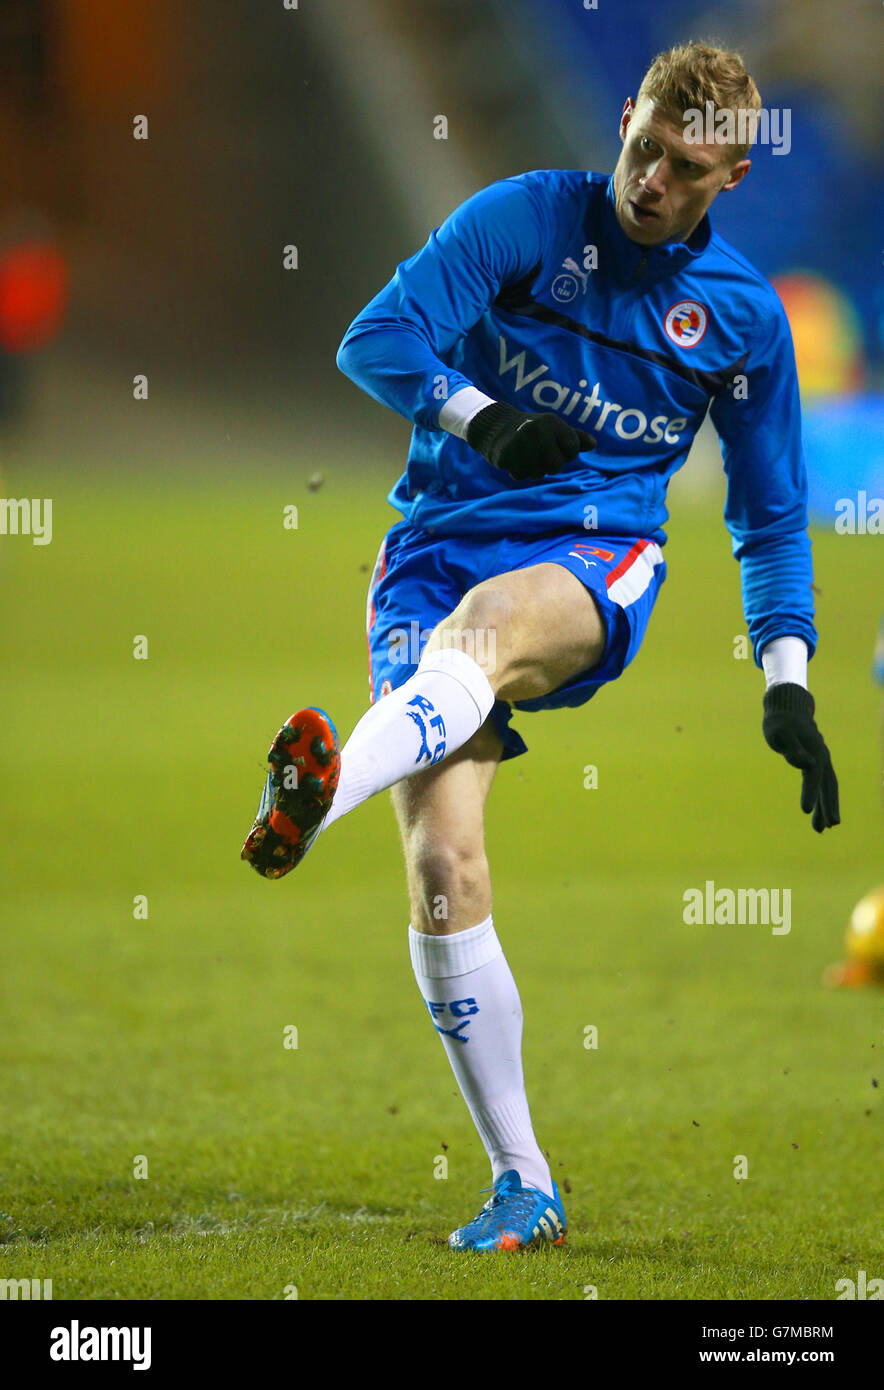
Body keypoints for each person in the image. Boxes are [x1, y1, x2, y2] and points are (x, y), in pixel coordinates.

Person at [241, 41, 839, 1251]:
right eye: (641, 148)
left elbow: (766, 512)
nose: (650, 181)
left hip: (590, 558)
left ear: (727, 175)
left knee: (489, 631)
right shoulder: (525, 218)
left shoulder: (736, 318)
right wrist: (478, 415)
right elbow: (377, 335)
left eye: (683, 167)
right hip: (434, 544)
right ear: (623, 116)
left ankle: (317, 790)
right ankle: (526, 1183)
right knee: (443, 870)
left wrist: (786, 681)